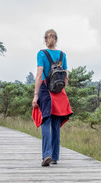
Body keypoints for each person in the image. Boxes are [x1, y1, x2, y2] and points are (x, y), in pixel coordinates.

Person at [32, 29, 73, 167]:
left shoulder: (41, 54)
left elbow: (39, 75)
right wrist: (60, 89)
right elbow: (66, 76)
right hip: (59, 92)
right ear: (56, 39)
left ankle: (46, 155)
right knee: (56, 125)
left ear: (45, 39)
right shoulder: (62, 55)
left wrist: (36, 95)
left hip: (45, 90)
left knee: (46, 122)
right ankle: (55, 156)